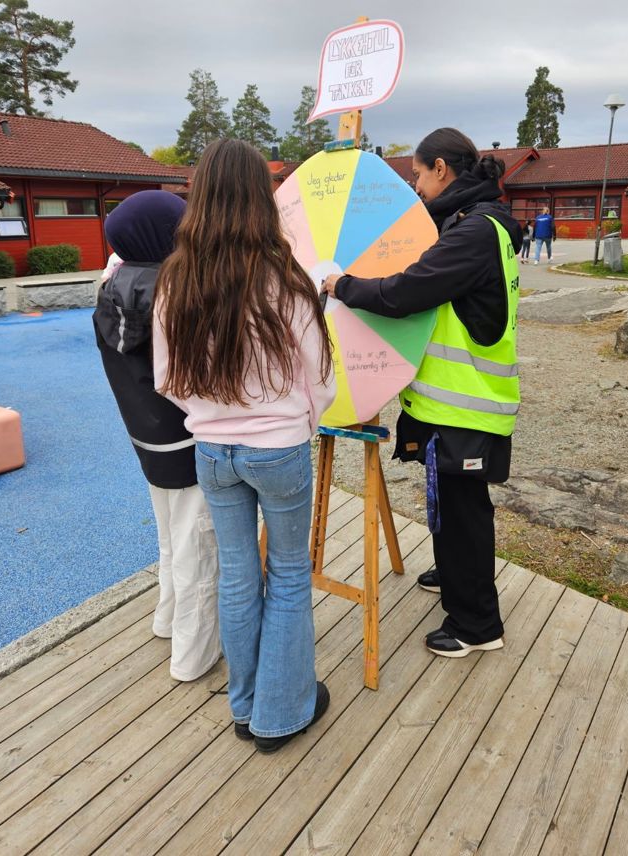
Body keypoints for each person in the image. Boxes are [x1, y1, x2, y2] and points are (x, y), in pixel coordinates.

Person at [153, 139, 336, 753]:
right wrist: (301, 422)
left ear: (200, 195)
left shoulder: (177, 278)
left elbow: (165, 378)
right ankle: (281, 713)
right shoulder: (286, 277)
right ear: (262, 198)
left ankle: (246, 704)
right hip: (280, 449)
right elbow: (320, 376)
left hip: (211, 451)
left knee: (237, 575)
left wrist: (208, 416)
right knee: (287, 573)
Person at [324, 127, 521, 659]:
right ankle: (455, 574)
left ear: (440, 168)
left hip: (467, 403)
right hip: (451, 400)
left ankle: (477, 626)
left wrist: (343, 285)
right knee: (448, 503)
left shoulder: (473, 232)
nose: (415, 186)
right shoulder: (474, 221)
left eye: (417, 174)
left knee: (464, 513)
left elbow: (407, 291)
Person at [93, 191, 220, 682]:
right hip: (189, 441)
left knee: (171, 540)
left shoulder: (110, 288)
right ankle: (193, 657)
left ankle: (166, 620)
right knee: (198, 550)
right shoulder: (178, 298)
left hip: (146, 440)